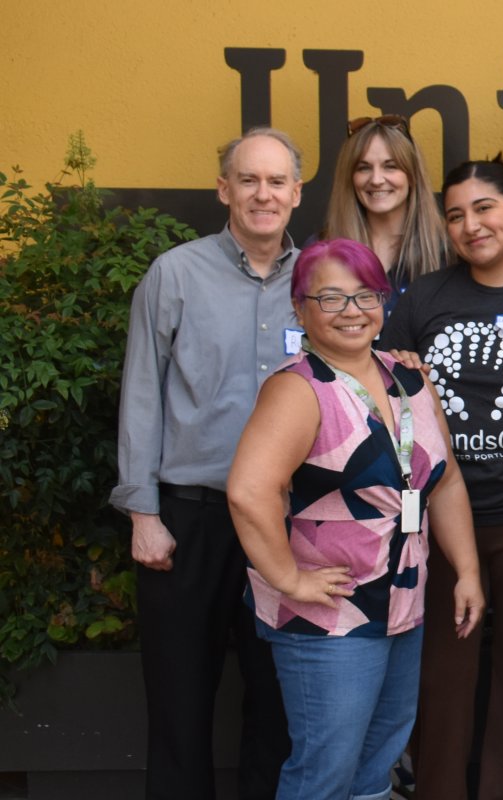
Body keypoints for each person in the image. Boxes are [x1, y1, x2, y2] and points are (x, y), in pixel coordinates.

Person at [227, 238, 485, 800]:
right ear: (300, 310)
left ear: (384, 301)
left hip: (401, 604)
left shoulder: (409, 377)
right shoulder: (299, 390)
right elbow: (249, 492)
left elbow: (445, 482)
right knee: (326, 771)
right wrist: (289, 578)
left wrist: (466, 571)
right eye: (331, 297)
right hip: (329, 615)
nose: (351, 310)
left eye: (364, 295)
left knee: (376, 767)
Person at [113, 128, 300, 800]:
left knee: (278, 707)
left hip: (286, 525)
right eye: (248, 179)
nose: (262, 194)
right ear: (223, 189)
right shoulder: (175, 274)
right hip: (186, 524)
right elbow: (141, 393)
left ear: (297, 194)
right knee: (179, 705)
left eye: (276, 181)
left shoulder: (317, 286)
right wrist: (143, 513)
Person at [383, 156, 503, 800]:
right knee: (442, 681)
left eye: (485, 208)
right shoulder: (424, 300)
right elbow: (387, 404)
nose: (471, 225)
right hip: (440, 519)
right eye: (456, 215)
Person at [320, 114, 451, 310]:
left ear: (412, 175)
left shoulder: (448, 248)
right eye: (364, 168)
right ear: (350, 178)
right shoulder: (324, 251)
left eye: (390, 167)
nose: (376, 179)